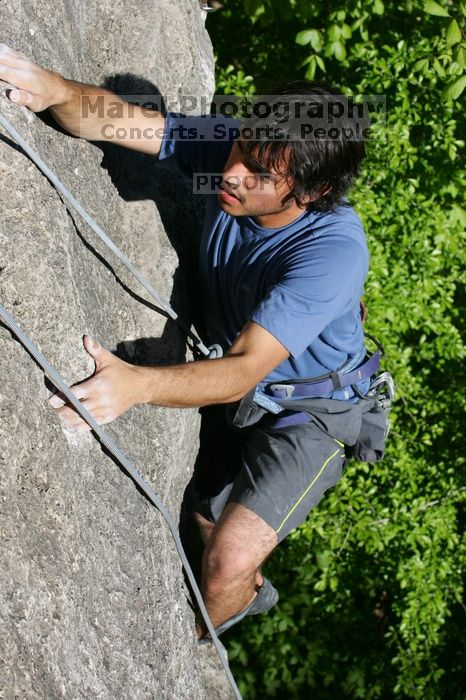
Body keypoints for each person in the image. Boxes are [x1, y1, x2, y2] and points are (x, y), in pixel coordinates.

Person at [0, 43, 383, 640]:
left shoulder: (331, 253)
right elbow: (120, 119)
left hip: (309, 410)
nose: (232, 173)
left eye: (259, 174)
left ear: (307, 193)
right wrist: (54, 90)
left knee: (228, 560)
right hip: (243, 380)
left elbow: (244, 369)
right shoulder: (239, 157)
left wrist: (136, 384)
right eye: (241, 150)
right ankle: (230, 574)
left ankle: (206, 640)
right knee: (206, 516)